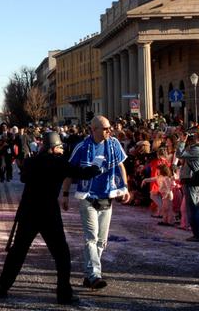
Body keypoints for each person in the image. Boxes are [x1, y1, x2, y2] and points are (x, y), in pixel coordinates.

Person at [0, 132, 101, 304]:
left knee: (18, 252)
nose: (61, 150)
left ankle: (3, 286)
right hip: (48, 214)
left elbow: (24, 176)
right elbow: (80, 173)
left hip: (28, 212)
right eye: (59, 147)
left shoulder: (32, 162)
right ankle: (64, 294)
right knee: (62, 255)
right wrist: (97, 167)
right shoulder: (58, 163)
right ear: (53, 147)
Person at [61, 115, 130, 290]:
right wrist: (66, 193)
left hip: (107, 196)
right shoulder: (82, 147)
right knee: (91, 238)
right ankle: (94, 275)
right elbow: (69, 171)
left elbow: (121, 165)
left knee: (101, 241)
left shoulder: (114, 144)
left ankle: (88, 274)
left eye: (109, 128)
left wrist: (126, 187)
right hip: (87, 197)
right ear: (94, 130)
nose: (109, 131)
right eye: (105, 128)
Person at [175, 129, 199, 242]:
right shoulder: (197, 149)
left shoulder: (197, 150)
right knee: (193, 208)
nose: (191, 139)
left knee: (193, 209)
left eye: (194, 137)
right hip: (191, 181)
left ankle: (198, 235)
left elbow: (179, 154)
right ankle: (198, 234)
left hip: (192, 182)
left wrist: (182, 141)